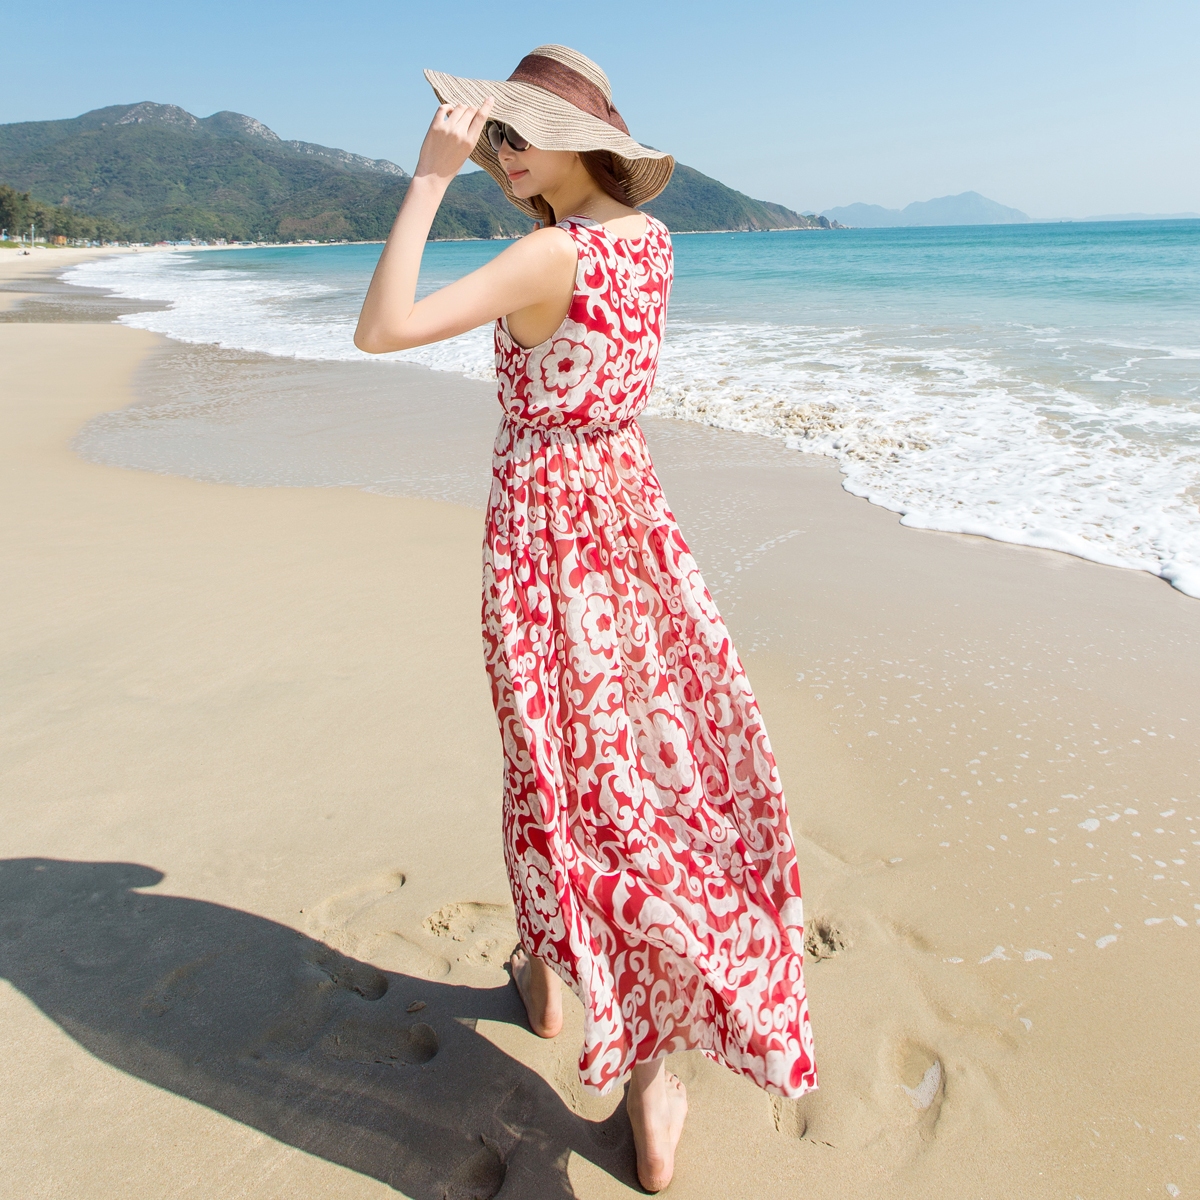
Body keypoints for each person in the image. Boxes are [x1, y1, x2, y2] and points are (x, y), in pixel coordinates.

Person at [355, 44, 816, 1192]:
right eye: (491, 138)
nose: (502, 156)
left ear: (579, 139)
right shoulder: (651, 244)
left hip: (546, 544)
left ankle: (599, 1024)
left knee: (557, 770)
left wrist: (428, 177)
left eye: (516, 135)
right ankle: (585, 1008)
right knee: (640, 775)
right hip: (638, 529)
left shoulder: (546, 253)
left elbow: (383, 327)